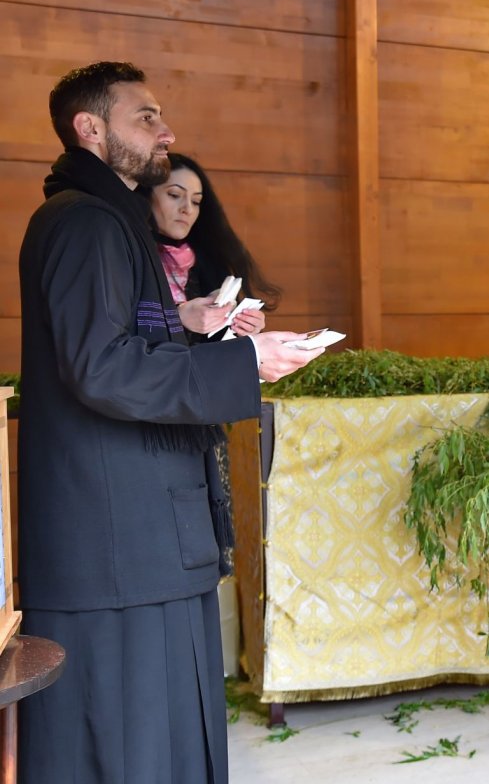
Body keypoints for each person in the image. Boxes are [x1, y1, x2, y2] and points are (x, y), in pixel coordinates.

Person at [17, 61, 324, 783]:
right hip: (115, 534)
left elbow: (121, 339)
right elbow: (100, 368)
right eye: (144, 117)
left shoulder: (110, 220)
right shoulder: (82, 223)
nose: (166, 131)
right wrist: (242, 364)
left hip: (142, 533)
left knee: (158, 734)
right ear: (89, 129)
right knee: (127, 739)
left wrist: (188, 322)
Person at [149, 152, 281, 338]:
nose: (187, 209)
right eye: (174, 195)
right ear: (145, 195)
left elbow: (219, 344)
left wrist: (244, 327)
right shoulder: (127, 253)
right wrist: (177, 317)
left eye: (196, 202)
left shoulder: (208, 258)